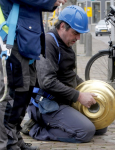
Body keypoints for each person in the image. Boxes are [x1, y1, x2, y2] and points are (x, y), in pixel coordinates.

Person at [21, 5, 107, 143]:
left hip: (63, 100)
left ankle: (63, 122)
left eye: (80, 34)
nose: (78, 38)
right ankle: (35, 128)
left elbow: (69, 75)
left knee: (101, 125)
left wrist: (88, 89)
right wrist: (78, 96)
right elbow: (47, 82)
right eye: (75, 33)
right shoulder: (48, 43)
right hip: (46, 104)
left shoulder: (65, 43)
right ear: (62, 26)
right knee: (86, 132)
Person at [0, 0, 67, 150]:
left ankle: (15, 139)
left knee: (24, 93)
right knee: (13, 95)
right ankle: (7, 144)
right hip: (14, 39)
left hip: (27, 41)